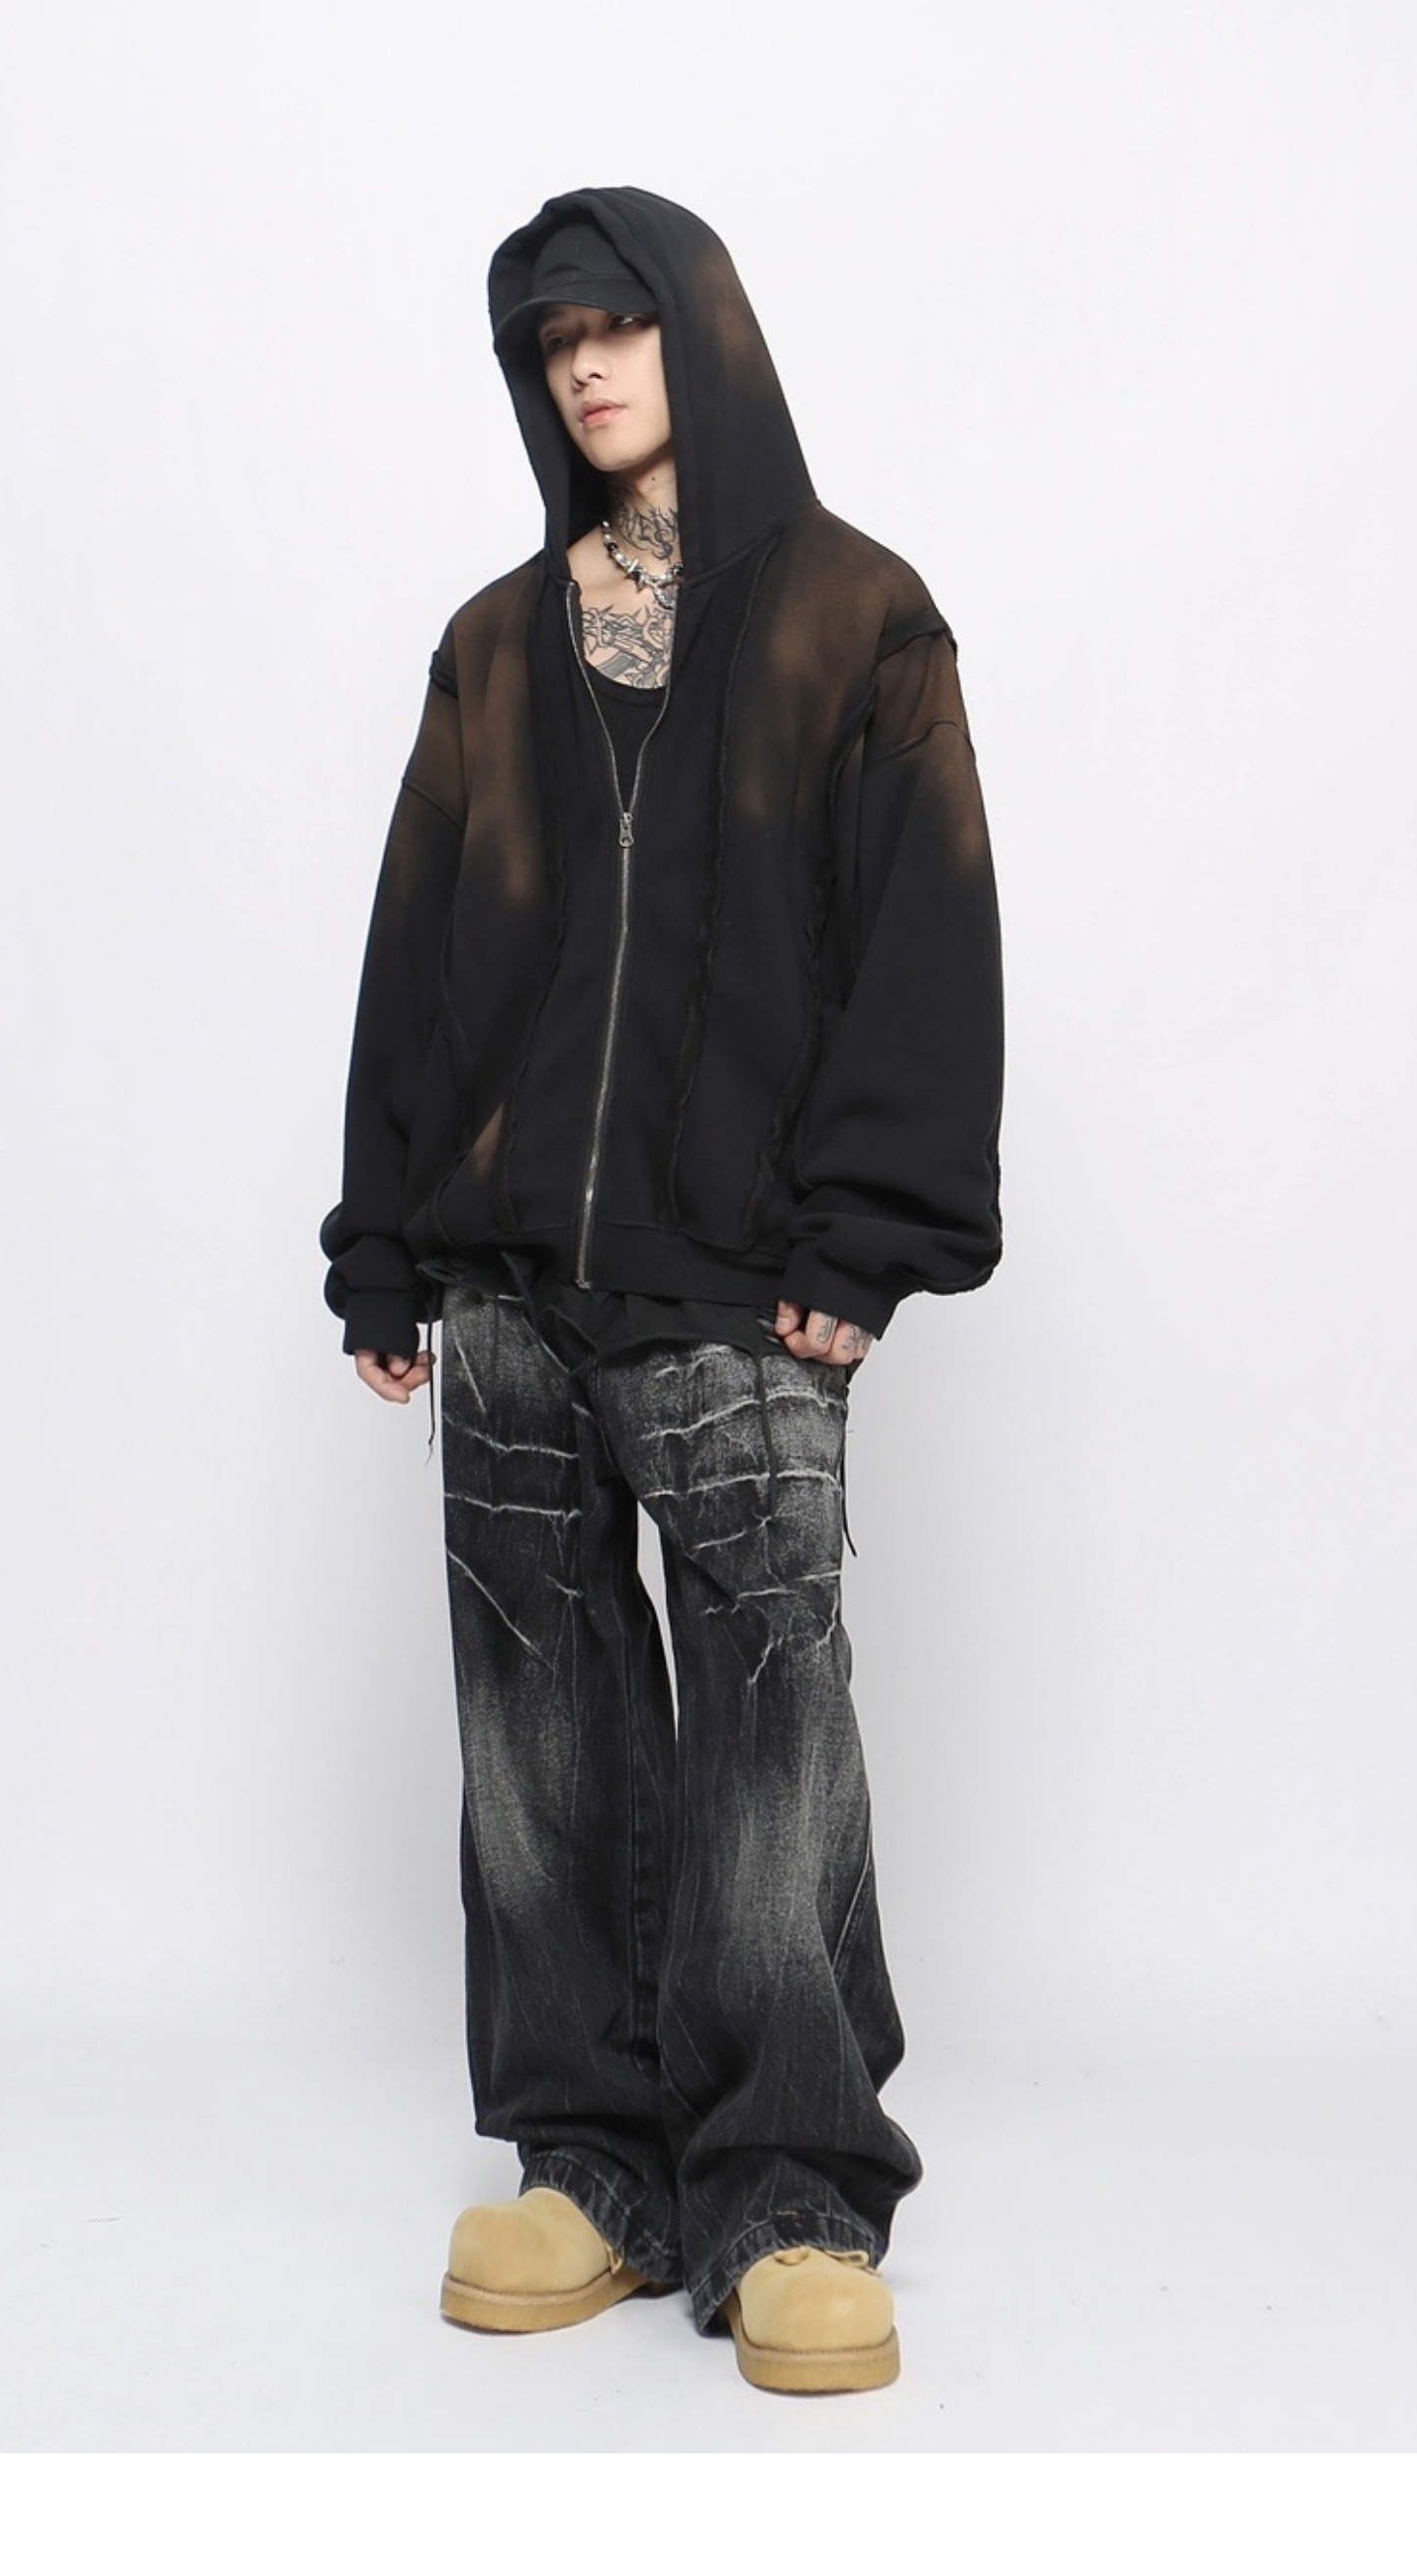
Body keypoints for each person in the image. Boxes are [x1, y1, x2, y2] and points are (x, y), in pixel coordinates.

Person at [318, 186, 1003, 2395]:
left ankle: (789, 2189)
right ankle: (592, 2168)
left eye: (618, 325)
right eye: (551, 342)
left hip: (743, 1286)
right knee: (535, 1737)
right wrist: (386, 1241)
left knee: (770, 1729)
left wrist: (868, 1233)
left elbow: (925, 936)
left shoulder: (856, 621)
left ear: (700, 333)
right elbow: (419, 956)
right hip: (510, 1283)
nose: (588, 367)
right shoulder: (496, 646)